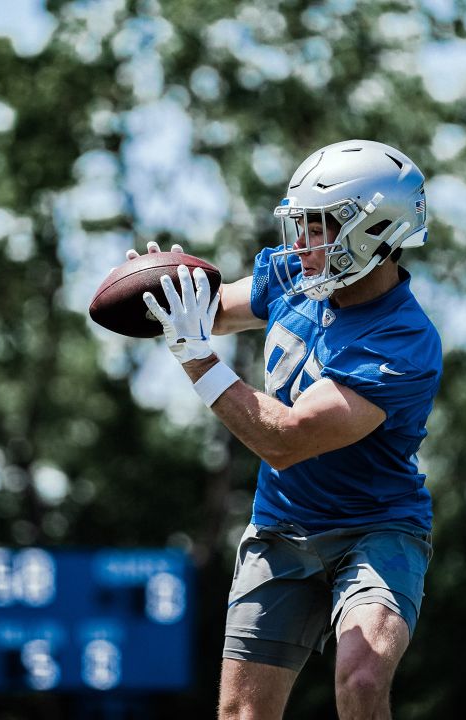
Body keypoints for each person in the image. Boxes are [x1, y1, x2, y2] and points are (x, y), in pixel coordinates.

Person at [134, 140, 441, 719]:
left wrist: (197, 360)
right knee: (243, 716)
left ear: (375, 231)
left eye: (320, 227)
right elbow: (208, 313)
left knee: (363, 674)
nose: (302, 244)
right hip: (282, 526)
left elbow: (287, 439)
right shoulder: (296, 275)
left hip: (374, 528)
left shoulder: (402, 342)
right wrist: (163, 287)